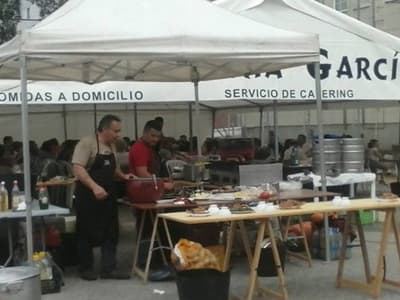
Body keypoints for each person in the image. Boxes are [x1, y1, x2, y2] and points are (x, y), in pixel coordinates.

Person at [72, 114, 133, 281]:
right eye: (115, 131)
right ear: (104, 129)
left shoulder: (111, 145)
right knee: (86, 231)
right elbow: (78, 169)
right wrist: (94, 187)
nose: (118, 135)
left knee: (110, 232)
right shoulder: (86, 144)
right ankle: (86, 268)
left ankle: (109, 269)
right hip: (88, 196)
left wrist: (123, 176)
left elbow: (113, 169)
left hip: (108, 194)